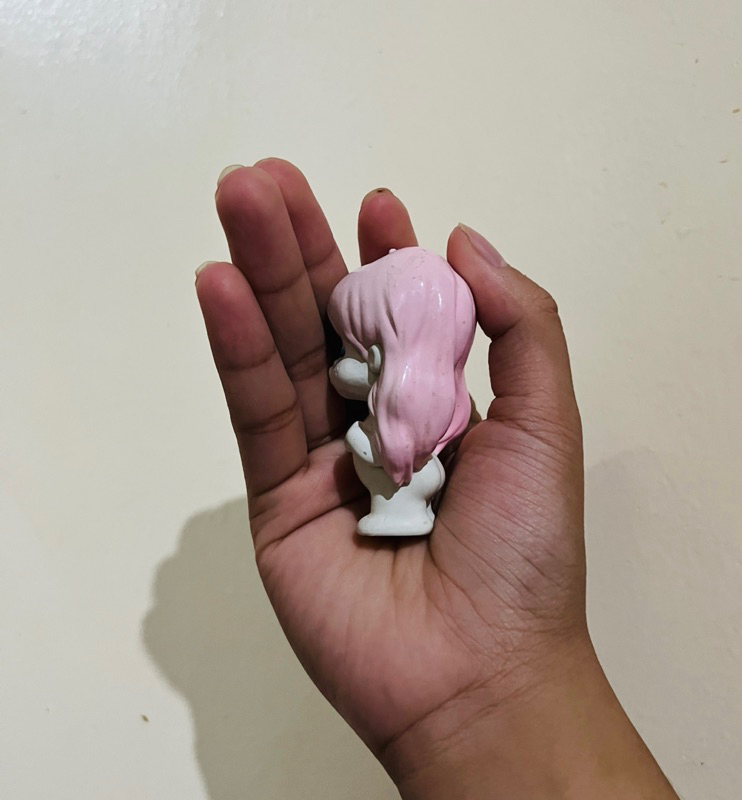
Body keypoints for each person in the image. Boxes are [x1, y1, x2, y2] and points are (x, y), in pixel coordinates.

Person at [194, 158, 678, 799]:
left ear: (387, 353)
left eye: (358, 352)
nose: (344, 370)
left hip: (407, 494)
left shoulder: (406, 437)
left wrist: (509, 677)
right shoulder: (403, 427)